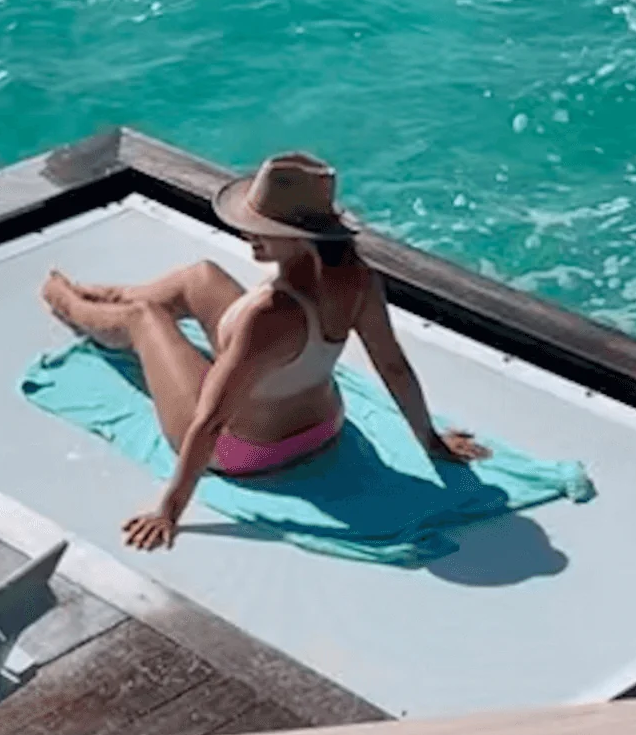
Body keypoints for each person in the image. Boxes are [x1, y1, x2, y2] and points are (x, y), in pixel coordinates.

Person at [41, 152, 489, 551]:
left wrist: (169, 511)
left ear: (298, 236)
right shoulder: (359, 279)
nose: (246, 235)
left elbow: (211, 420)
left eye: (261, 230)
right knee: (201, 276)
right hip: (323, 426)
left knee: (144, 318)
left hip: (246, 451)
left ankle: (70, 302)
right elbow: (392, 364)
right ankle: (111, 294)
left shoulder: (268, 314)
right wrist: (430, 440)